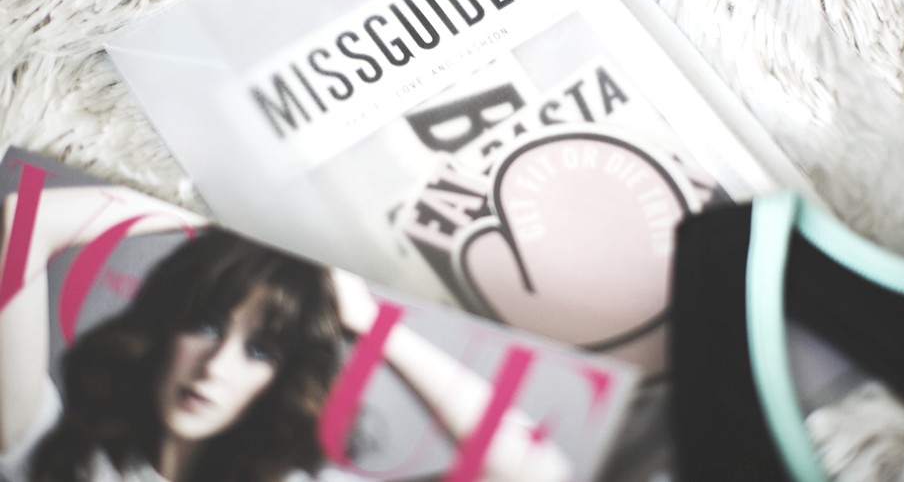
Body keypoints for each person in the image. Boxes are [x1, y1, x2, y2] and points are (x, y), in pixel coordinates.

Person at [0, 186, 571, 482]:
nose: (215, 367)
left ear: (284, 376)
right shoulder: (53, 454)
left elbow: (535, 471)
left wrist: (370, 324)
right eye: (205, 326)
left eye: (260, 351)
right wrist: (217, 215)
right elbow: (24, 220)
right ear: (164, 327)